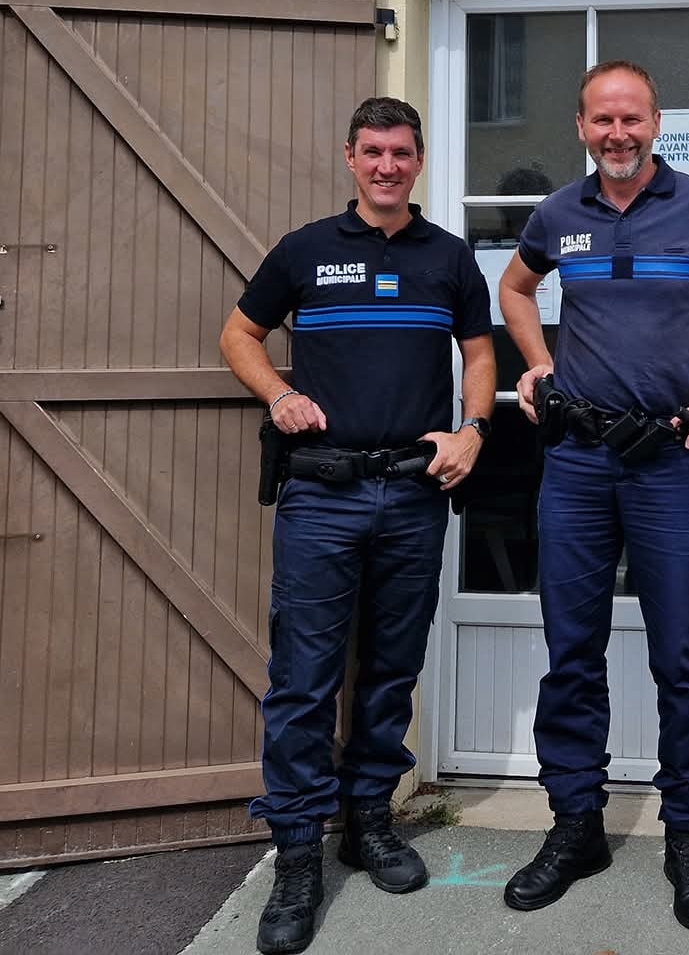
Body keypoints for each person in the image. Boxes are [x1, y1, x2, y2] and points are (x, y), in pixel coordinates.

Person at [497, 61, 689, 932]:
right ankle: (576, 826)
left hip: (671, 462)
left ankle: (686, 835)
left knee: (681, 656)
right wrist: (539, 364)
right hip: (579, 464)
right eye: (602, 121)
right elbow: (515, 289)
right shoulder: (559, 213)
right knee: (573, 651)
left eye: (631, 119)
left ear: (655, 122)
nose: (618, 134)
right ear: (582, 126)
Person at [220, 96, 494, 955]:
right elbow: (239, 332)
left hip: (414, 492)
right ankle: (299, 852)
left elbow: (481, 354)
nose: (387, 166)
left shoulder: (448, 258)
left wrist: (472, 430)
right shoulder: (305, 251)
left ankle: (368, 819)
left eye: (401, 153)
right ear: (350, 158)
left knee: (389, 668)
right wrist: (280, 393)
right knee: (304, 676)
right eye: (372, 152)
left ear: (419, 161)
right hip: (323, 495)